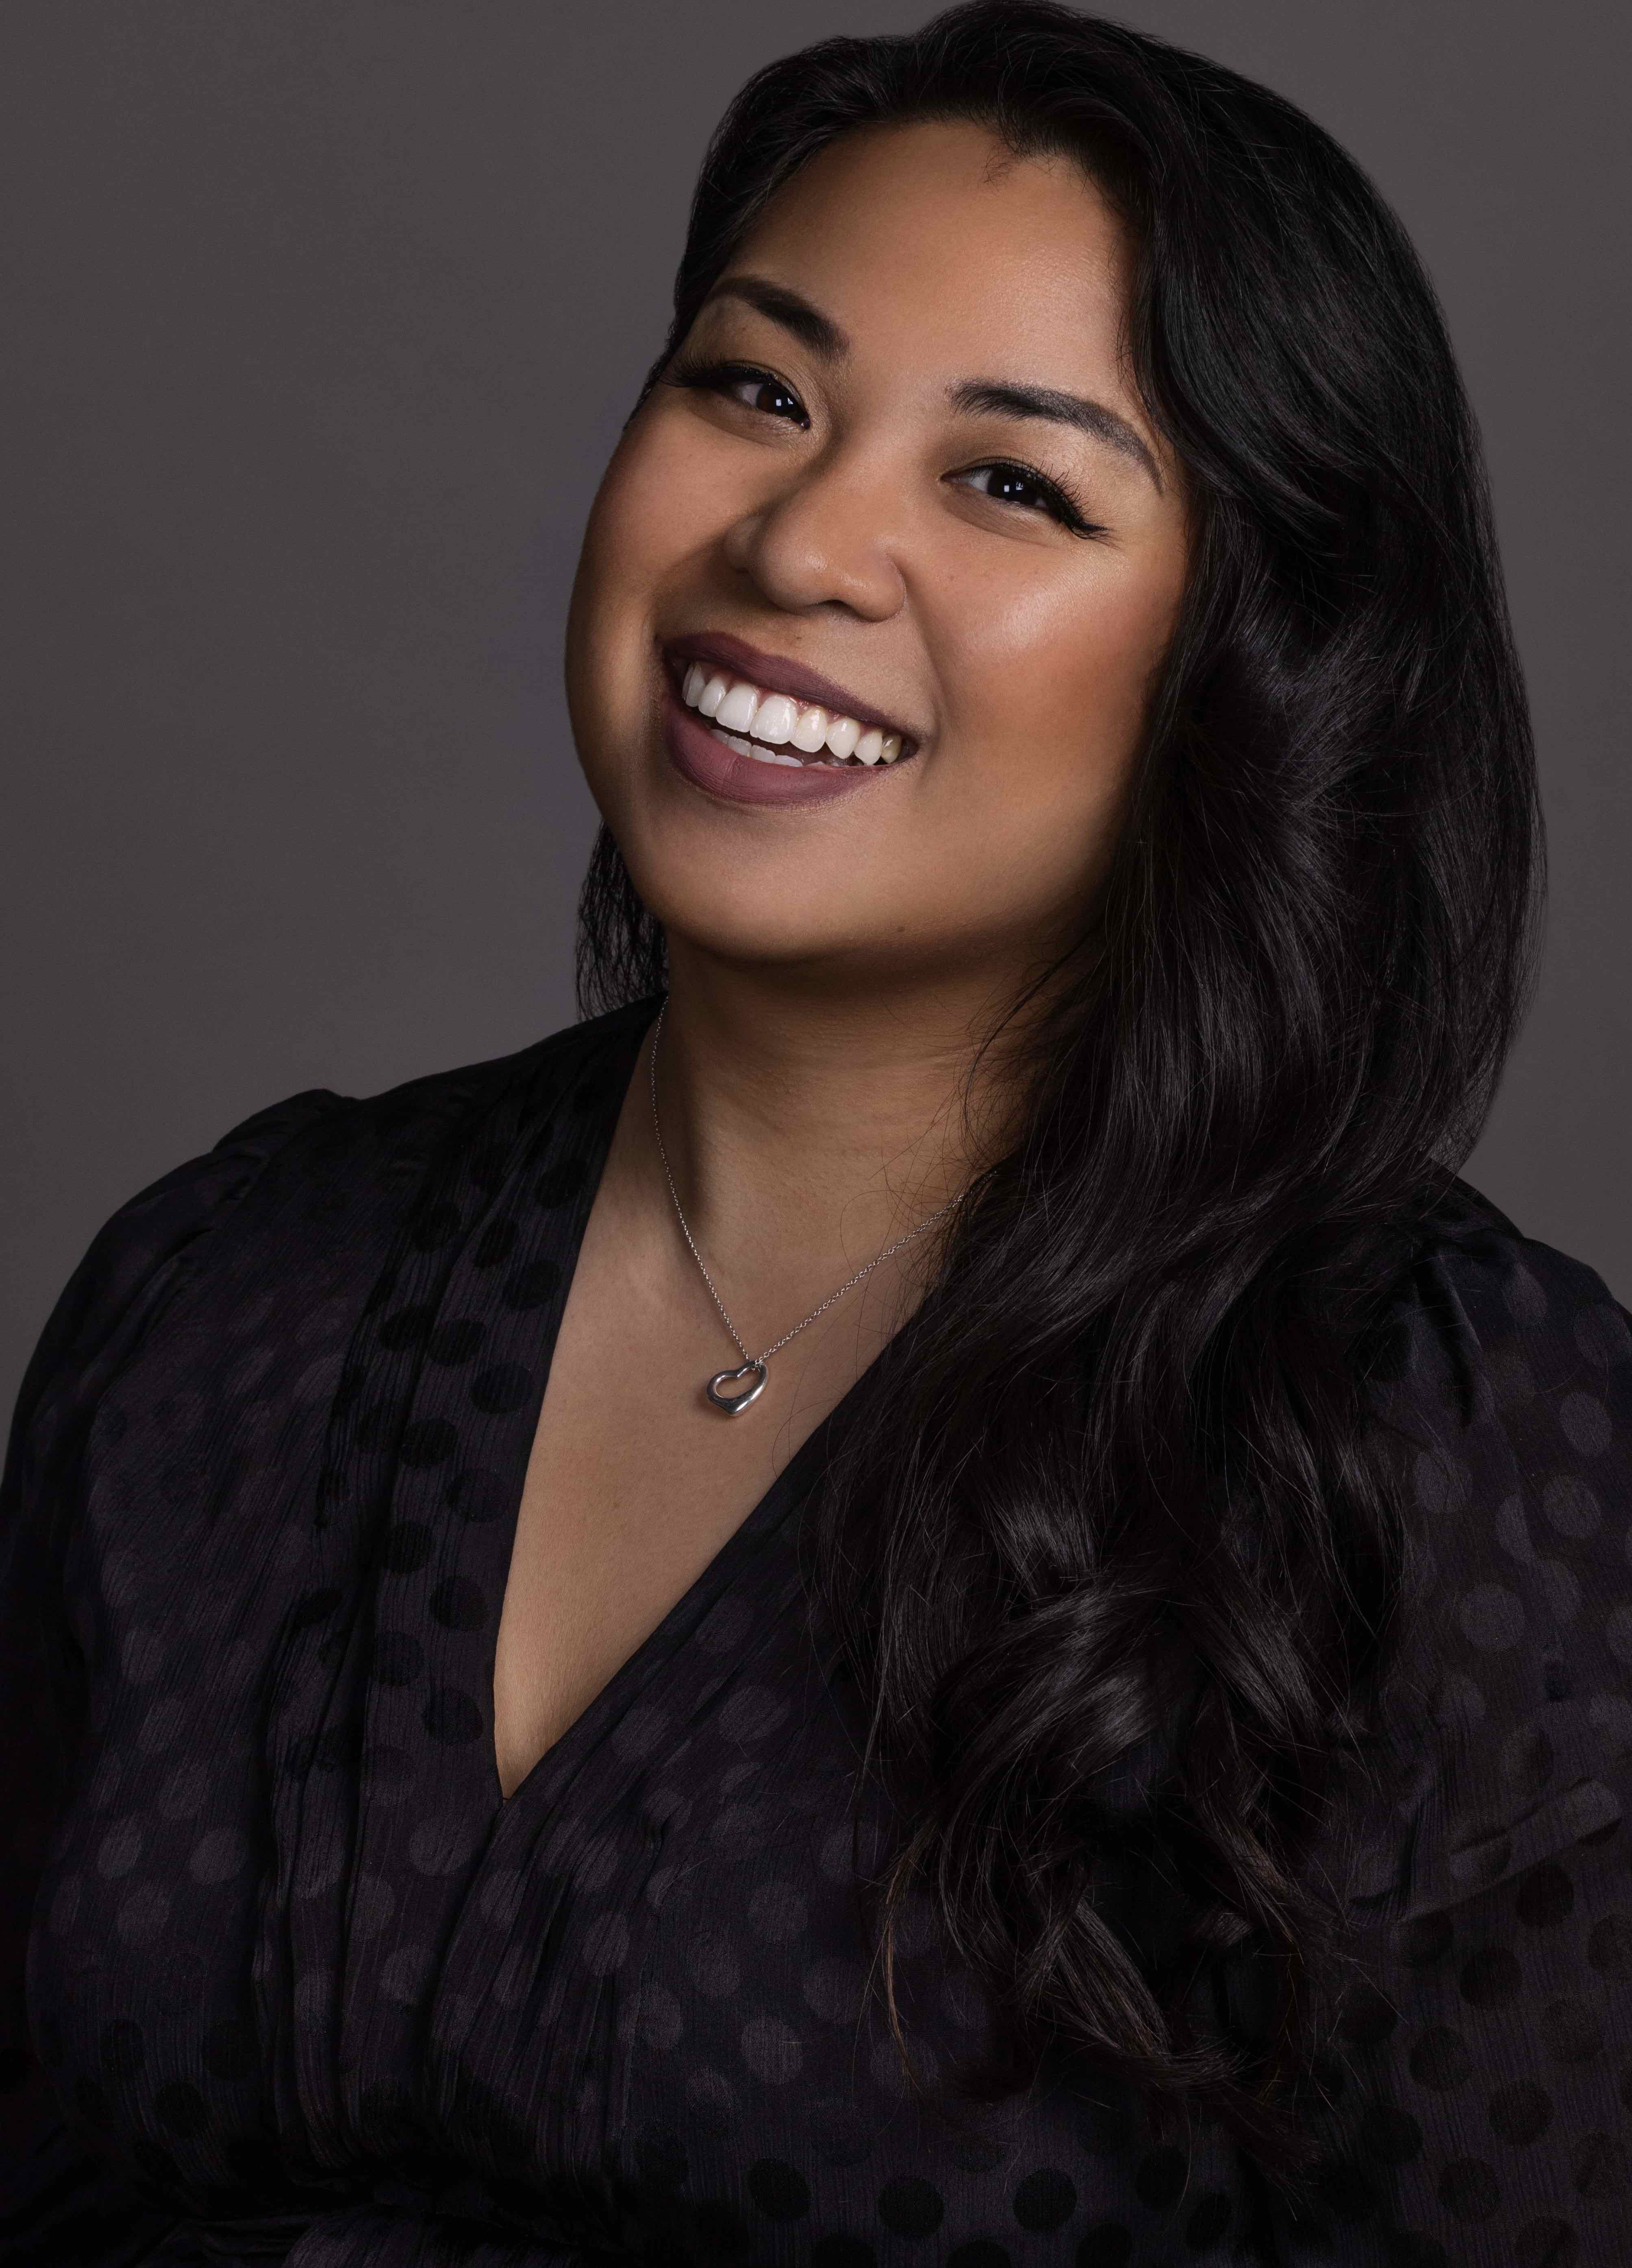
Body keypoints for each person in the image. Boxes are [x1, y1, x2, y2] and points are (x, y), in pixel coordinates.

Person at [3, 4, 1628, 2261]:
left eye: (1011, 481)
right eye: (753, 388)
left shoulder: (1458, 1447)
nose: (802, 543)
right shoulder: (222, 1295)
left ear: (1258, 671)